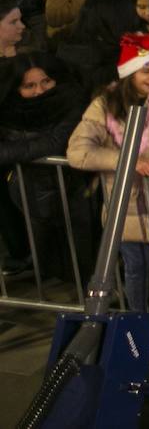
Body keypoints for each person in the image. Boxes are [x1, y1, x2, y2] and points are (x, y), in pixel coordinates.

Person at [67, 32, 149, 351]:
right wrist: (128, 161)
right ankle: (136, 324)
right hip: (123, 209)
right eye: (147, 70)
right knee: (135, 270)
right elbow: (78, 151)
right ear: (130, 72)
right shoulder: (105, 104)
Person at [0, 52, 94, 282]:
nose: (39, 90)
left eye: (46, 81)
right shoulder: (7, 109)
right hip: (29, 192)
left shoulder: (73, 100)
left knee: (84, 251)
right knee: (47, 255)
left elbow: (55, 142)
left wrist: (8, 152)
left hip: (74, 187)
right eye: (29, 85)